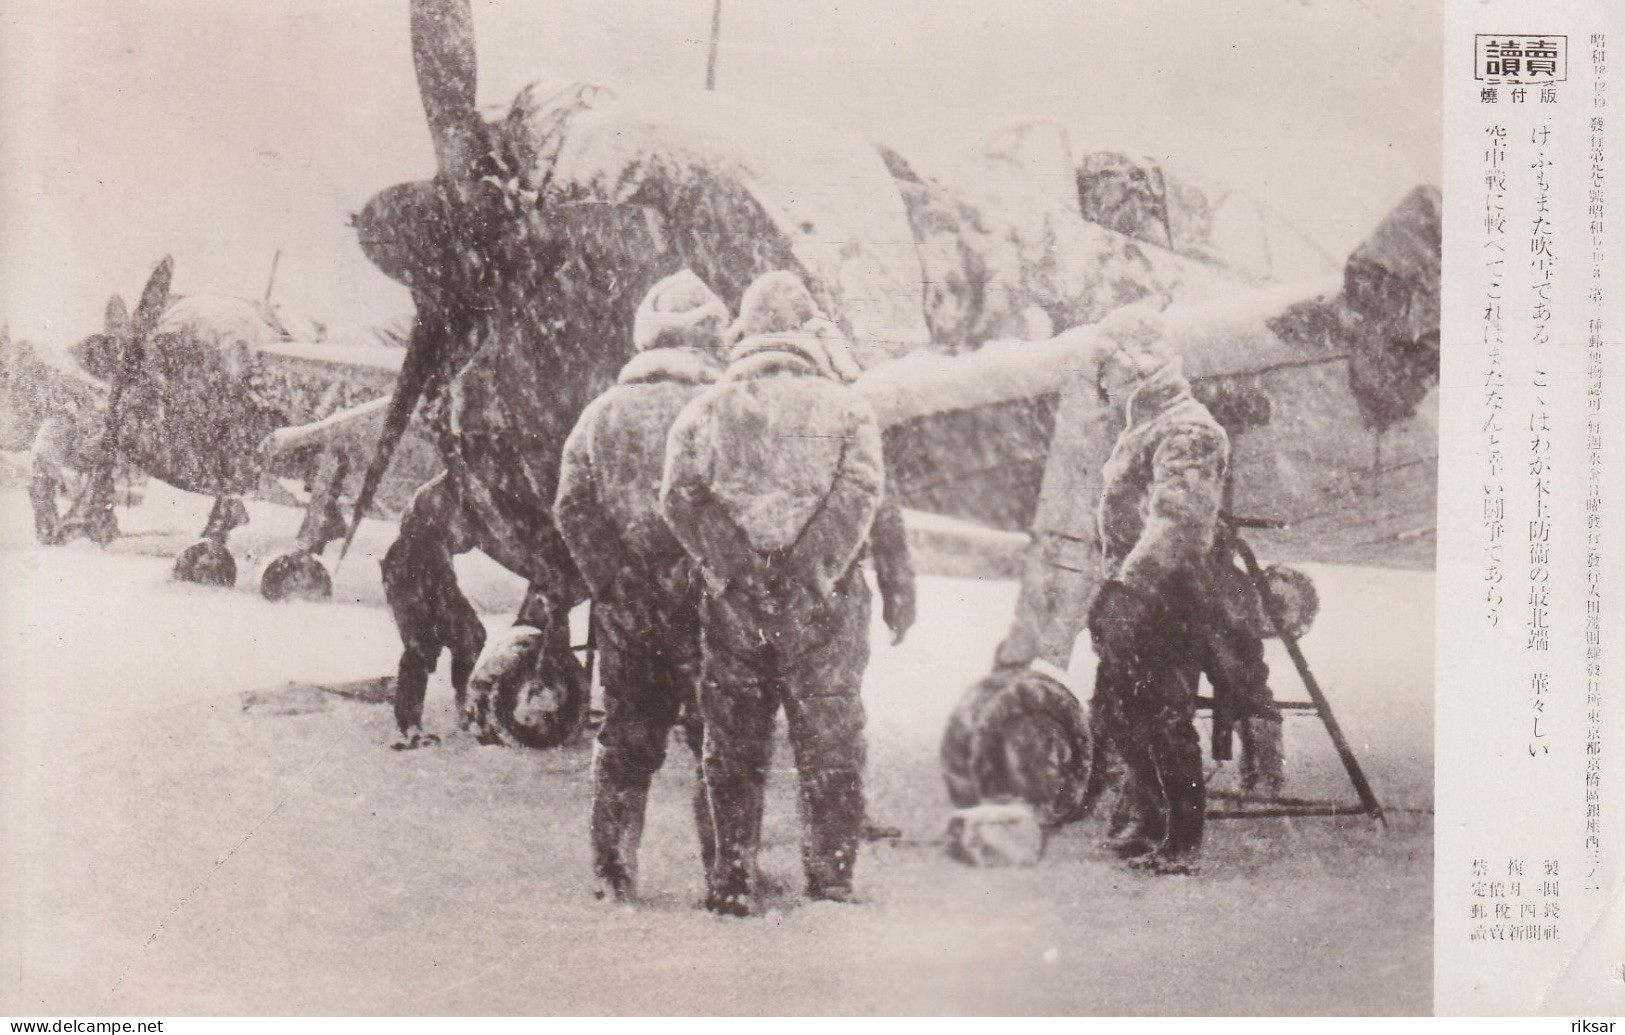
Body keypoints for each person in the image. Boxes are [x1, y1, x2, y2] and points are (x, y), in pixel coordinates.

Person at [661, 299, 901, 916]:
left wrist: (738, 569)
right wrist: (808, 571)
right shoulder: (848, 408)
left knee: (734, 744)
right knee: (831, 742)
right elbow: (861, 492)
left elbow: (680, 499)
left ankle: (733, 876)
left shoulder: (704, 409)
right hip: (824, 607)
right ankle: (830, 879)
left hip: (735, 610)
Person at [554, 270, 732, 902]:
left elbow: (572, 505)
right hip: (711, 606)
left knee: (627, 742)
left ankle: (613, 871)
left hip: (629, 611)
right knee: (720, 743)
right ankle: (727, 874)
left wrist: (617, 581)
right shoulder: (728, 411)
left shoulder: (602, 414)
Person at [1084, 304, 1229, 875]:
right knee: (1126, 712)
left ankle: (1182, 837)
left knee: (1165, 714)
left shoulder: (1187, 428)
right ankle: (1150, 818)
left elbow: (1179, 521)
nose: (1104, 376)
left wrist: (1130, 590)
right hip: (1135, 591)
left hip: (1166, 594)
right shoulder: (1148, 424)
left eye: (1109, 363)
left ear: (1137, 362)